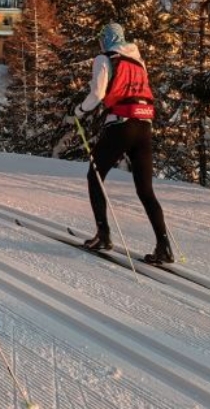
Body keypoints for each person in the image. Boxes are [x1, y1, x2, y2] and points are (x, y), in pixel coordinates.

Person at [73, 23, 174, 264]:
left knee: (95, 175)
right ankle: (164, 246)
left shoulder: (104, 59)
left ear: (105, 40)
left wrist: (79, 111)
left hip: (121, 123)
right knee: (145, 190)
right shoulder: (138, 61)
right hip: (144, 125)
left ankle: (104, 235)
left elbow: (97, 94)